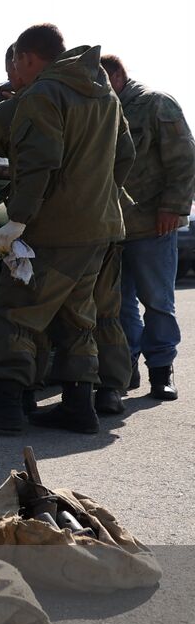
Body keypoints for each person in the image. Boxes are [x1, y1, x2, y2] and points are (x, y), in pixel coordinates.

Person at [0, 24, 134, 434]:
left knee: (13, 309)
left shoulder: (42, 95)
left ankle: (7, 404)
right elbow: (126, 153)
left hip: (54, 230)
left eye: (15, 60)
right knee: (77, 316)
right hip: (101, 228)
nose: (13, 68)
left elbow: (39, 163)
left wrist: (18, 219)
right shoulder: (103, 94)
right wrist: (97, 196)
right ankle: (78, 405)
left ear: (26, 58)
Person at [100, 54, 195, 401]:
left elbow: (184, 159)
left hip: (154, 224)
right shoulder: (101, 112)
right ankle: (126, 369)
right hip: (112, 227)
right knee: (118, 304)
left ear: (120, 76)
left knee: (157, 301)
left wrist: (173, 207)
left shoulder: (155, 104)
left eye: (103, 81)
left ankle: (161, 371)